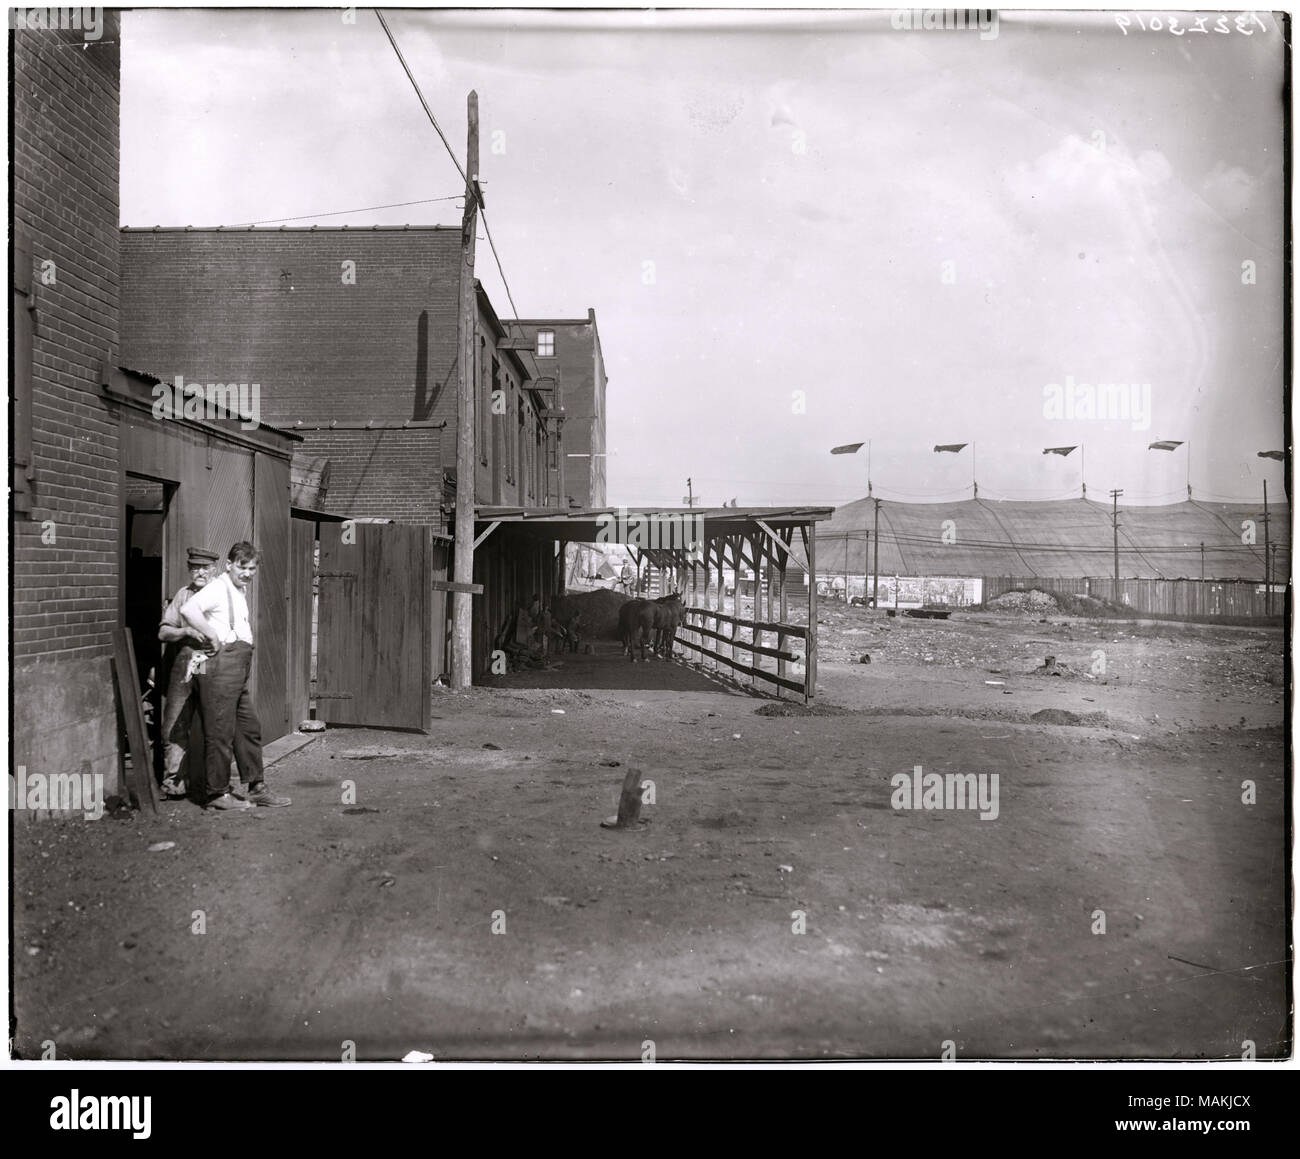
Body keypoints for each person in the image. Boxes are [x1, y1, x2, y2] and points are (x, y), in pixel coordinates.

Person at [180, 541, 291, 810]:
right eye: (242, 567)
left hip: (237, 668)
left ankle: (257, 787)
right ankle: (217, 794)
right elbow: (188, 610)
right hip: (221, 668)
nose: (248, 573)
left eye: (252, 568)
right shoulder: (218, 587)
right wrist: (212, 634)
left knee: (248, 728)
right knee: (220, 732)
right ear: (229, 565)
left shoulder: (236, 590)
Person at [157, 546, 219, 799]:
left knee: (214, 721)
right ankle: (174, 781)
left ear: (214, 569)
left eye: (205, 568)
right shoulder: (183, 595)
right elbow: (163, 632)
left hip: (214, 661)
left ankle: (212, 782)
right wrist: (185, 632)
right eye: (195, 568)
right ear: (188, 569)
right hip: (185, 660)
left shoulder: (223, 594)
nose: (200, 572)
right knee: (173, 723)